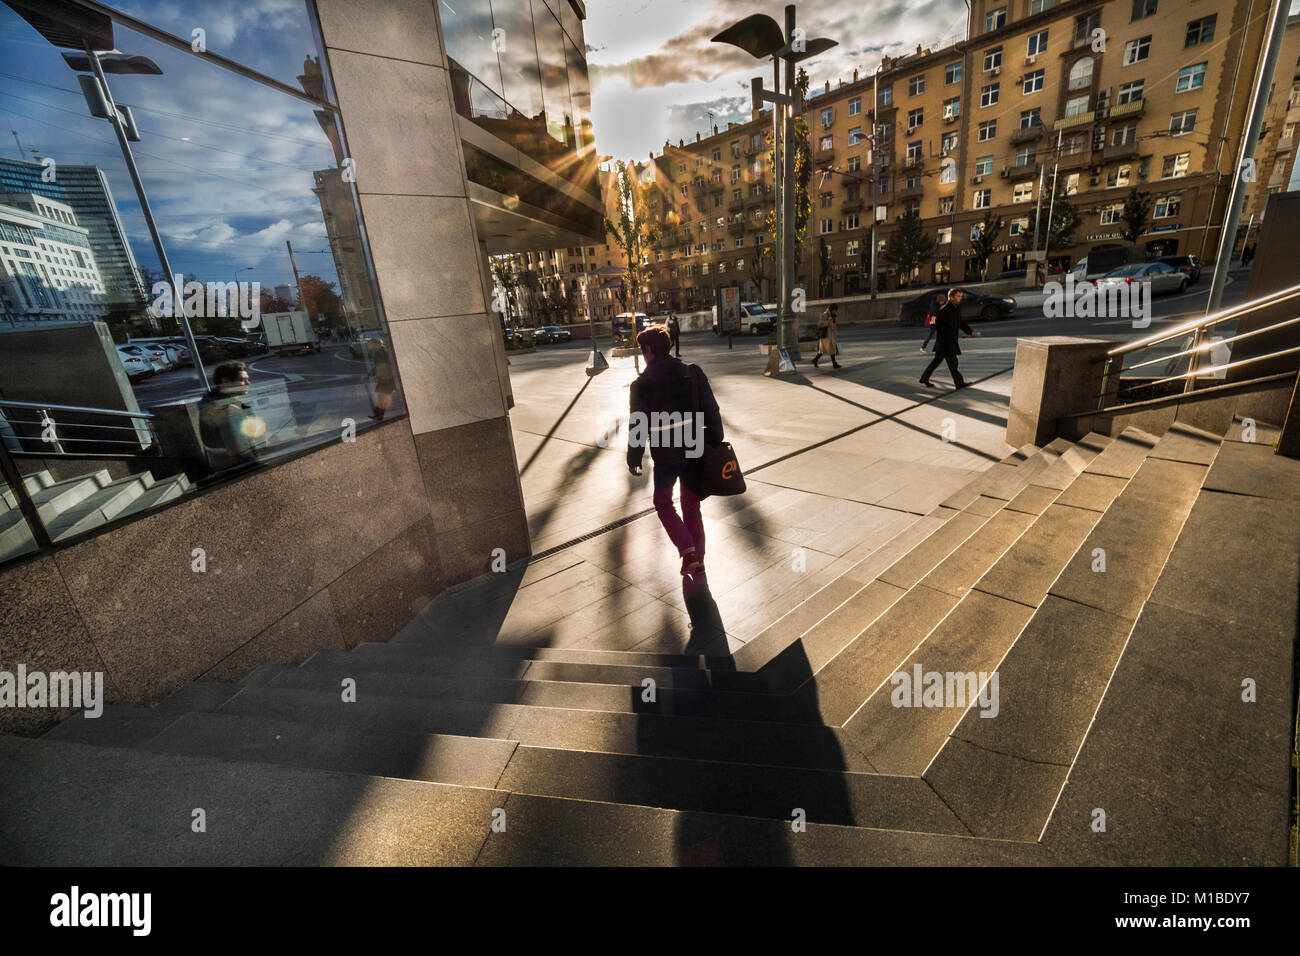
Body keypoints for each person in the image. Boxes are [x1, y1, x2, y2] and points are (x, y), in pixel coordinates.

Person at [627, 325, 724, 592]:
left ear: (648, 350)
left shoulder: (641, 384)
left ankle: (688, 552)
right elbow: (711, 409)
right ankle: (698, 560)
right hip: (694, 448)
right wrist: (716, 438)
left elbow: (638, 424)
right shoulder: (693, 373)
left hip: (665, 452)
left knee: (663, 502)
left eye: (642, 350)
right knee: (692, 505)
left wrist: (634, 456)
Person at [198, 361, 263, 471]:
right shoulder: (226, 409)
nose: (248, 383)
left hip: (224, 469)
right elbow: (240, 453)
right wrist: (260, 468)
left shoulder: (212, 402)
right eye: (242, 380)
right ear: (225, 381)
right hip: (239, 472)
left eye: (247, 379)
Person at [919, 288, 980, 389]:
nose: (960, 298)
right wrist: (947, 339)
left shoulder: (956, 308)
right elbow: (939, 327)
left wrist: (970, 331)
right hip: (945, 342)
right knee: (953, 363)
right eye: (958, 296)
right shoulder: (944, 310)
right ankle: (959, 383)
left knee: (936, 362)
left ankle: (924, 378)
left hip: (948, 342)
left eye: (961, 296)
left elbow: (960, 322)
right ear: (951, 297)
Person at [367, 337, 395, 421]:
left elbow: (379, 367)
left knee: (382, 398)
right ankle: (378, 415)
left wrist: (369, 376)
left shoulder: (380, 352)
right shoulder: (381, 351)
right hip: (385, 378)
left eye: (371, 345)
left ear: (377, 344)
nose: (370, 347)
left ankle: (379, 415)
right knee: (381, 397)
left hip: (386, 379)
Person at [812, 304, 840, 369]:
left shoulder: (834, 316)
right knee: (828, 350)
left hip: (831, 335)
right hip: (826, 336)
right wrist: (828, 322)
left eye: (836, 310)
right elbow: (819, 324)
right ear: (831, 309)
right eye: (835, 310)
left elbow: (834, 325)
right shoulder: (824, 314)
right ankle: (834, 364)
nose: (835, 312)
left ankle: (815, 360)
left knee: (826, 350)